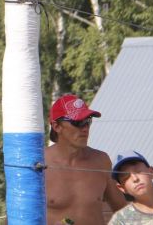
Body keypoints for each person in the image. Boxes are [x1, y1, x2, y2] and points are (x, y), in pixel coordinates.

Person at [45, 94, 127, 224]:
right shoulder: (39, 164)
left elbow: (123, 212)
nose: (85, 128)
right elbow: (16, 215)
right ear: (56, 126)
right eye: (78, 122)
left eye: (88, 121)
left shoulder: (101, 161)